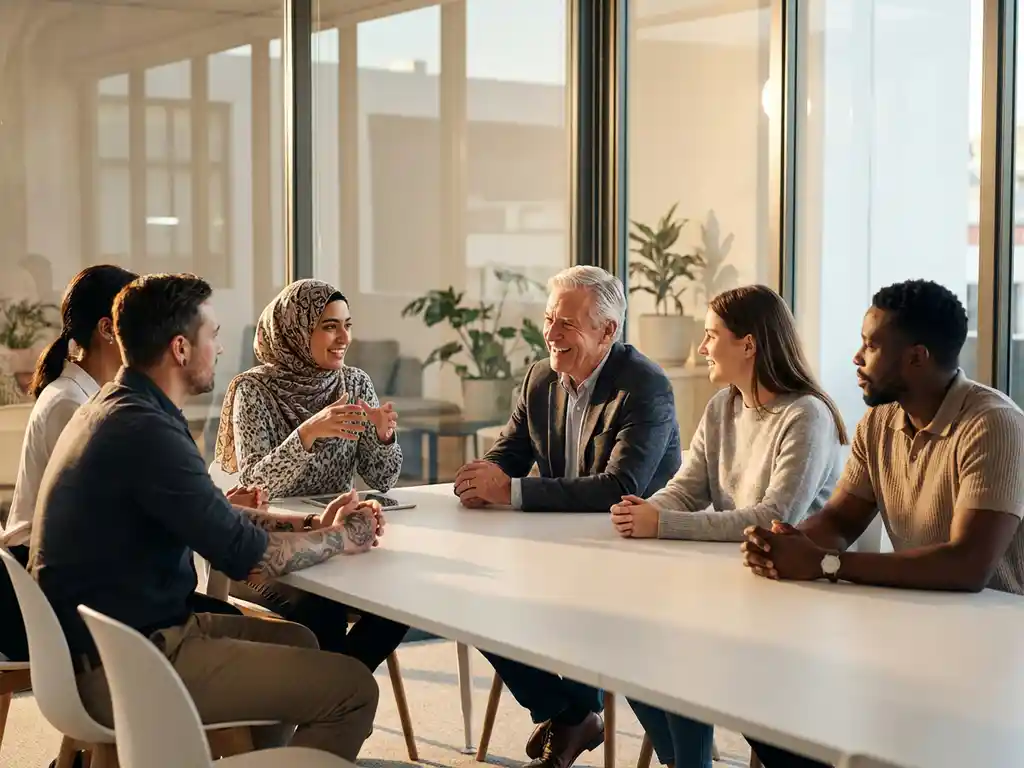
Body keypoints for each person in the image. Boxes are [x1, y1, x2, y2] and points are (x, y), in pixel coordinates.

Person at [30, 273, 384, 761]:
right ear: (180, 348)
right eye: (212, 335)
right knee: (355, 689)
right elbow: (249, 557)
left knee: (302, 640)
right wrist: (343, 537)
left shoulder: (116, 407)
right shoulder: (148, 433)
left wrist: (313, 525)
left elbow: (218, 516)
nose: (219, 348)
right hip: (132, 662)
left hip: (110, 642)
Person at [740, 279, 1024, 768]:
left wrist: (825, 564)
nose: (856, 357)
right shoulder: (879, 422)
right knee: (763, 701)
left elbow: (968, 565)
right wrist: (783, 542)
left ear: (916, 358)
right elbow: (840, 518)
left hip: (991, 650)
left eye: (871, 345)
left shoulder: (992, 423)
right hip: (911, 626)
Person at [609, 285, 847, 768]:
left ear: (749, 344)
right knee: (623, 640)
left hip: (791, 591)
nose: (701, 347)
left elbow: (775, 518)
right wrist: (643, 511)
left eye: (711, 335)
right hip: (727, 578)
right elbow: (686, 488)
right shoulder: (723, 406)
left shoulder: (806, 415)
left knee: (680, 643)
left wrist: (663, 524)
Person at [454, 265, 682, 768]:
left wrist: (508, 491)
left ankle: (577, 718)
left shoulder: (645, 385)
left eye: (567, 324)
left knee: (577, 614)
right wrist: (481, 477)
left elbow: (621, 487)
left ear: (608, 330)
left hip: (636, 555)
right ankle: (570, 713)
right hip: (561, 549)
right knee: (469, 602)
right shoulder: (541, 377)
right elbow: (510, 453)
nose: (552, 334)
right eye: (549, 319)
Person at [213, 278, 408, 671]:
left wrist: (383, 438)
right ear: (296, 332)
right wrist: (307, 434)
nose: (344, 338)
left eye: (347, 325)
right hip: (267, 547)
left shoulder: (355, 383)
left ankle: (339, 688)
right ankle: (338, 692)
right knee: (323, 610)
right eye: (330, 326)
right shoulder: (252, 389)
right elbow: (256, 484)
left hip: (337, 538)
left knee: (402, 600)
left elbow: (382, 479)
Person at [1, 264, 137, 664]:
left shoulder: (84, 394)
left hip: (61, 572)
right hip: (45, 590)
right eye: (137, 320)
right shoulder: (72, 403)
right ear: (107, 329)